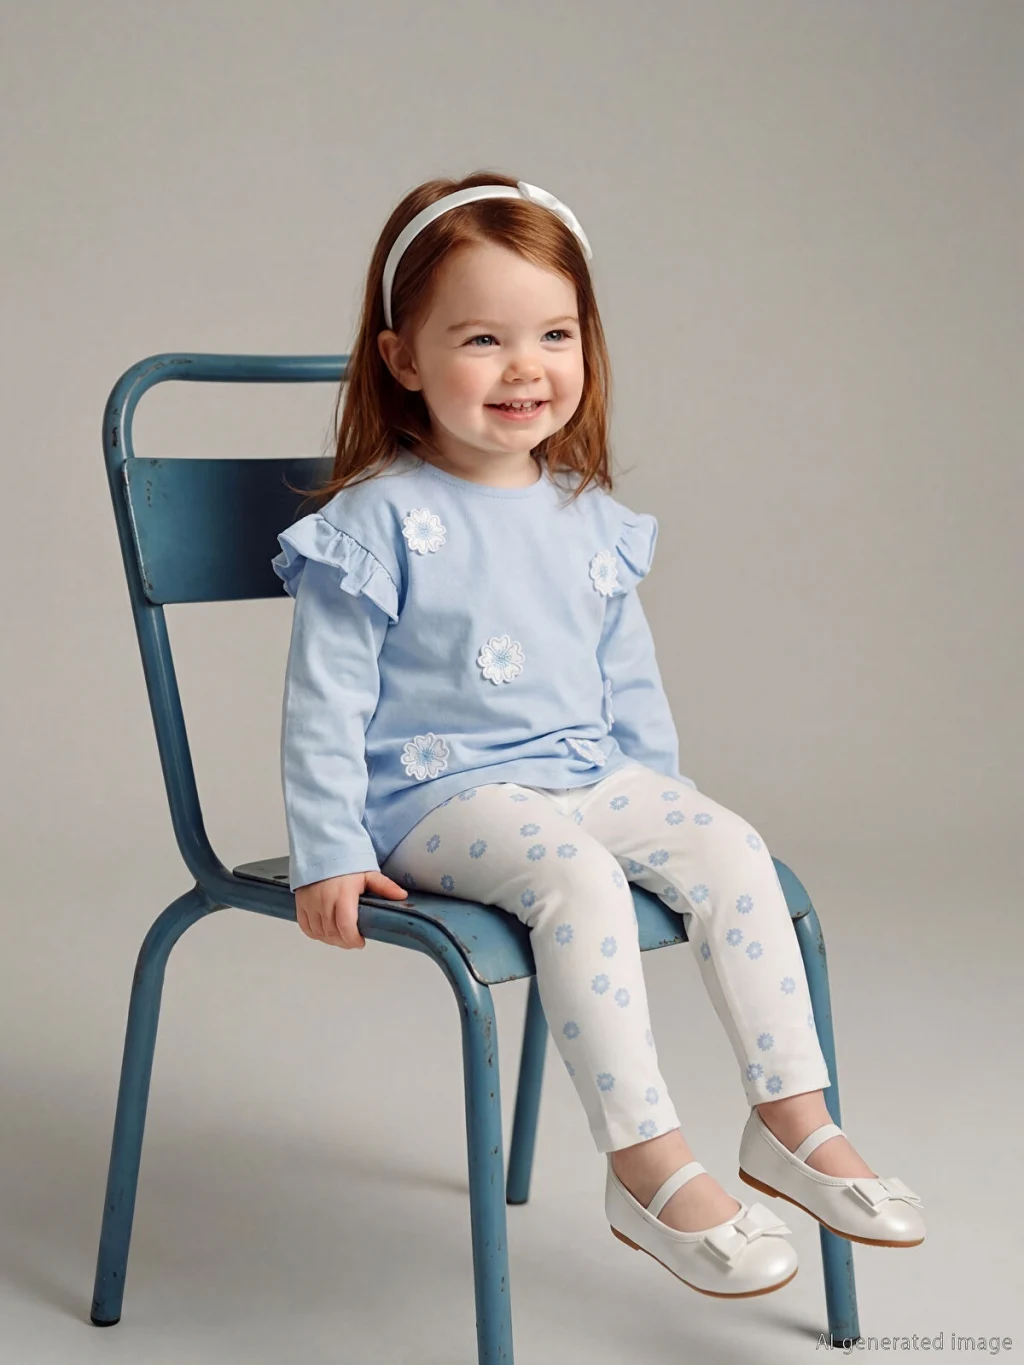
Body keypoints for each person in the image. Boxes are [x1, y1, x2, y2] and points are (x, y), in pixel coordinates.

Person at [271, 171, 925, 1299]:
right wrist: (327, 848)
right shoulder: (377, 521)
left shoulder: (586, 516)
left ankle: (792, 1118)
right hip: (438, 799)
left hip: (586, 776)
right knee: (574, 876)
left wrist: (666, 819)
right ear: (403, 358)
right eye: (483, 338)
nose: (526, 367)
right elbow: (322, 701)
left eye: (555, 334)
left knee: (732, 849)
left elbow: (630, 684)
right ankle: (644, 1163)